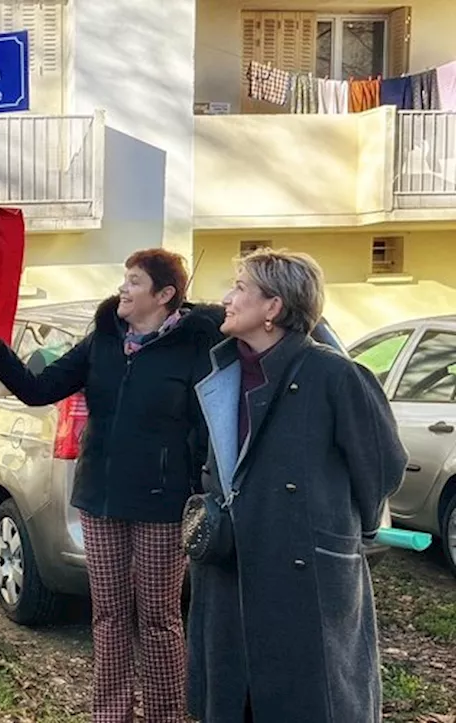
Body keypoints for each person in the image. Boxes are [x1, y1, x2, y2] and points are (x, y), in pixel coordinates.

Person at [0, 249, 224, 723]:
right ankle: (112, 714)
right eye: (124, 278)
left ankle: (164, 714)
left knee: (158, 619)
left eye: (134, 281)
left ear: (164, 295)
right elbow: (39, 388)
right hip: (99, 497)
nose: (123, 288)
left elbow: (211, 426)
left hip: (163, 502)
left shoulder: (197, 348)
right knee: (109, 614)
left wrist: (196, 486)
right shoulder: (103, 340)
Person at [187, 249, 406, 723]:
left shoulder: (335, 374)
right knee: (234, 701)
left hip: (306, 580)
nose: (227, 298)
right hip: (229, 571)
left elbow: (382, 466)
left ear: (273, 308)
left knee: (308, 703)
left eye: (240, 288)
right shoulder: (222, 374)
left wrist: (339, 530)